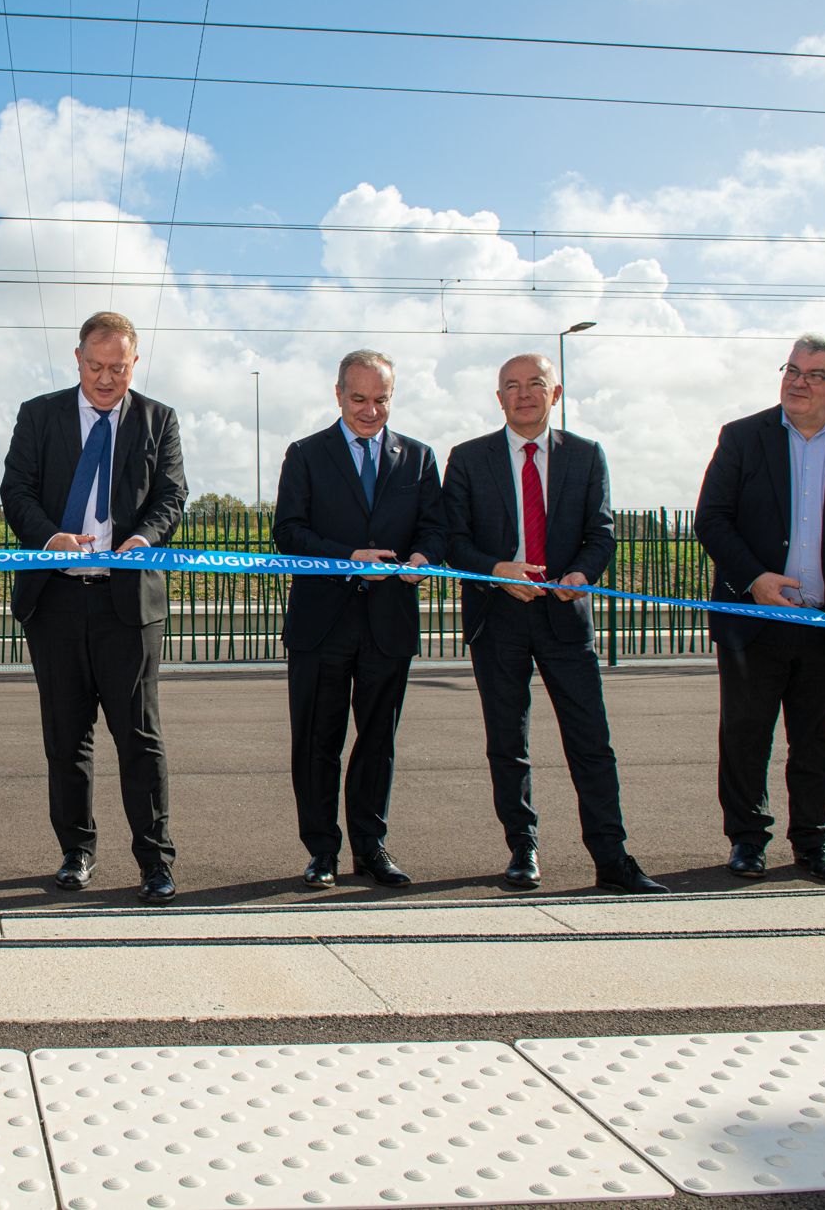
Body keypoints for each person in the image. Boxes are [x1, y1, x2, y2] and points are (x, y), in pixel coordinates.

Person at [442, 353, 666, 895]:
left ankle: (611, 856)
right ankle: (522, 848)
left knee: (591, 740)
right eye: (511, 386)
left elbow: (601, 533)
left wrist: (583, 572)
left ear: (555, 393)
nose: (523, 394)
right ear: (499, 398)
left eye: (535, 384)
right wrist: (497, 571)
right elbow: (452, 540)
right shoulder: (468, 458)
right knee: (507, 741)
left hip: (565, 615)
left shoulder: (586, 456)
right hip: (498, 617)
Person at [694, 334, 825, 884]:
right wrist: (755, 578)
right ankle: (747, 840)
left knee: (817, 738)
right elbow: (711, 519)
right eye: (792, 369)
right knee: (745, 733)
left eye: (815, 374)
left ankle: (813, 841)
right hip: (754, 620)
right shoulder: (743, 437)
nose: (798, 382)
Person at [1, 311, 189, 903]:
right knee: (66, 738)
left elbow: (172, 495)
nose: (106, 379)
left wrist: (145, 538)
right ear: (77, 359)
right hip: (56, 600)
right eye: (96, 366)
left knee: (139, 737)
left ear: (135, 363)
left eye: (119, 367)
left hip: (126, 605)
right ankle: (76, 851)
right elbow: (15, 490)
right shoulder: (39, 415)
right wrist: (48, 536)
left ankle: (155, 859)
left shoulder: (159, 419)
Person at [274, 349, 444, 890]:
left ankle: (371, 848)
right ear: (338, 394)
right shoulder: (306, 454)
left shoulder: (419, 457)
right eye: (359, 399)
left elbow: (436, 528)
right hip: (321, 624)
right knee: (317, 742)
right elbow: (289, 532)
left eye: (381, 400)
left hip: (389, 624)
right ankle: (322, 850)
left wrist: (424, 556)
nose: (370, 411)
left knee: (377, 744)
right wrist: (349, 559)